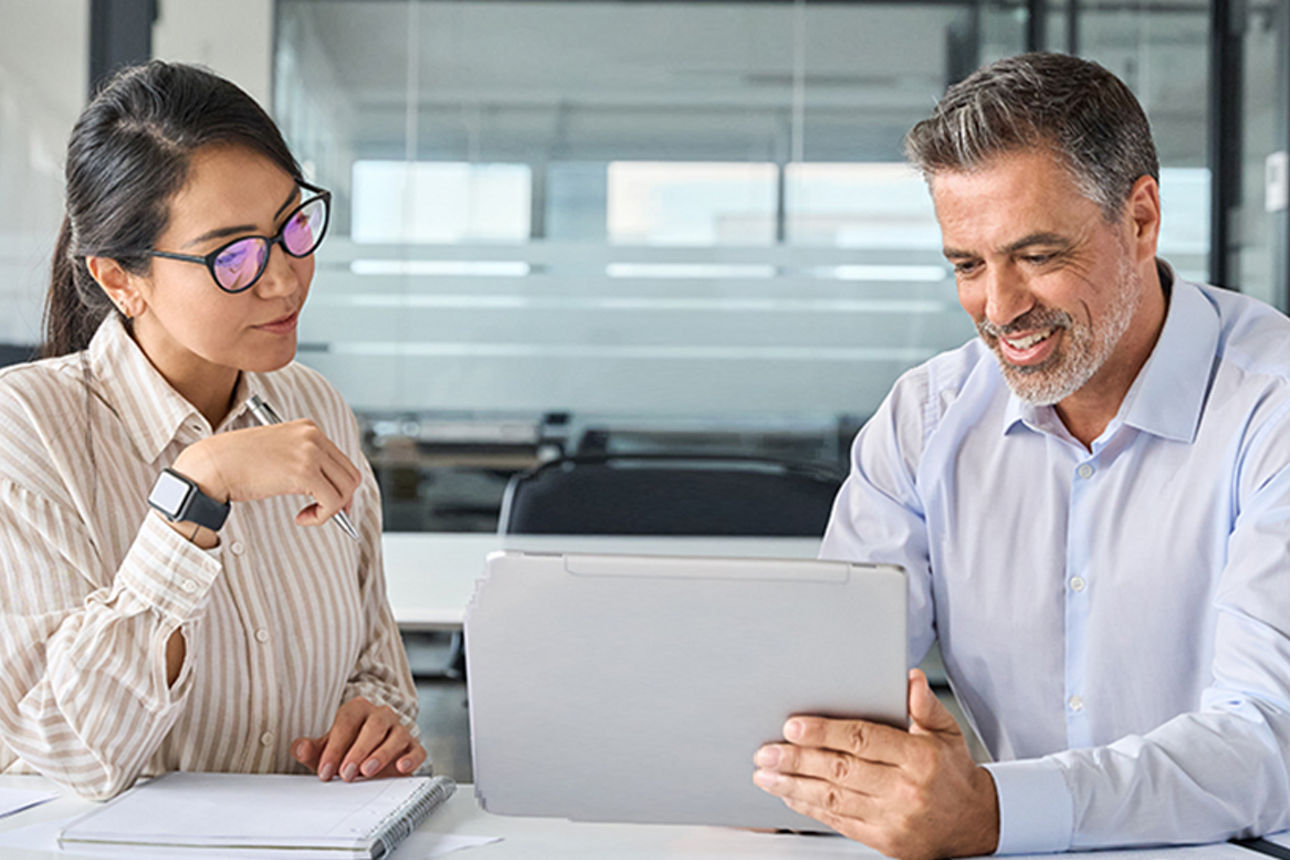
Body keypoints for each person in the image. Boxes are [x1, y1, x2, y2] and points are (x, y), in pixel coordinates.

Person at [750, 52, 1290, 857]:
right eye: (968, 265)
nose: (1000, 310)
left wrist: (994, 810)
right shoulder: (926, 418)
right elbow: (824, 700)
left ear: (1140, 219)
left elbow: (1268, 743)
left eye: (1037, 256)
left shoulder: (1272, 405)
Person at [0, 61, 424, 800]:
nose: (285, 278)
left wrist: (375, 717)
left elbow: (376, 664)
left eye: (293, 225)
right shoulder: (26, 432)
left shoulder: (316, 408)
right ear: (119, 279)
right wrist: (195, 494)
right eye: (232, 255)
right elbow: (71, 751)